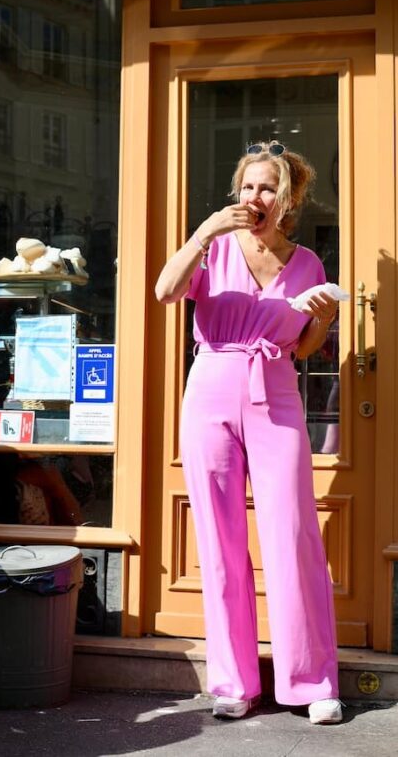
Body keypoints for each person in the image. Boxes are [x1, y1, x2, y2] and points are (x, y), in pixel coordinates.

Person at [155, 141, 342, 725]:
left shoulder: (308, 262)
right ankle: (233, 682)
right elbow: (164, 291)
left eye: (266, 188)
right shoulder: (211, 250)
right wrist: (204, 231)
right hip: (211, 386)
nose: (253, 198)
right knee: (219, 542)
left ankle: (310, 682)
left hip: (276, 394)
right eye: (246, 187)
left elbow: (304, 346)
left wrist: (325, 321)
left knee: (292, 535)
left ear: (286, 200)